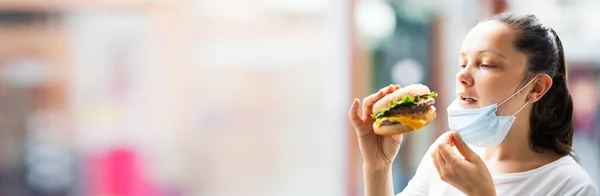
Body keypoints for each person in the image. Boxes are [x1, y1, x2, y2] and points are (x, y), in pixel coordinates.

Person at [348, 13, 597, 196]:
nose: (462, 77)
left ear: (536, 88)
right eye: (463, 63)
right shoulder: (445, 155)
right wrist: (377, 167)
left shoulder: (570, 186)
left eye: (487, 64)